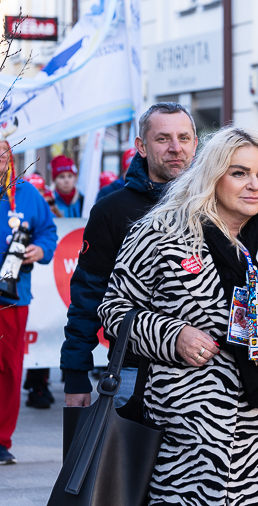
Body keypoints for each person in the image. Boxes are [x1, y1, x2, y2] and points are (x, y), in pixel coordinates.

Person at [98, 127, 258, 504]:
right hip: (181, 435)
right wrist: (173, 336)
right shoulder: (159, 234)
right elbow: (114, 310)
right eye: (239, 172)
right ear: (212, 173)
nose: (254, 185)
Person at [62, 102, 198, 408]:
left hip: (208, 374)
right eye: (163, 139)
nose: (176, 148)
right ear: (142, 146)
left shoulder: (219, 205)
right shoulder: (111, 210)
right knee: (128, 459)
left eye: (184, 138)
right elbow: (87, 296)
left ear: (195, 143)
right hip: (134, 373)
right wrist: (75, 373)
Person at [0, 136, 58, 465]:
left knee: (8, 369)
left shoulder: (26, 193)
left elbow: (48, 231)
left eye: (2, 156)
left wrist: (41, 249)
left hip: (11, 297)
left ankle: (0, 440)